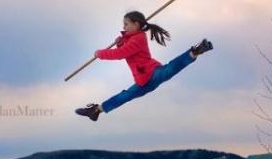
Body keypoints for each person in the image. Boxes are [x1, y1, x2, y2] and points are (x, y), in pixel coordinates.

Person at [75, 10, 213, 121]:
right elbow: (128, 53)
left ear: (136, 24)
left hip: (151, 71)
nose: (123, 27)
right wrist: (120, 42)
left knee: (169, 69)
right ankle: (96, 110)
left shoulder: (139, 38)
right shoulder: (132, 39)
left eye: (126, 24)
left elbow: (121, 54)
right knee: (125, 96)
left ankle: (194, 51)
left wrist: (101, 53)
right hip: (142, 81)